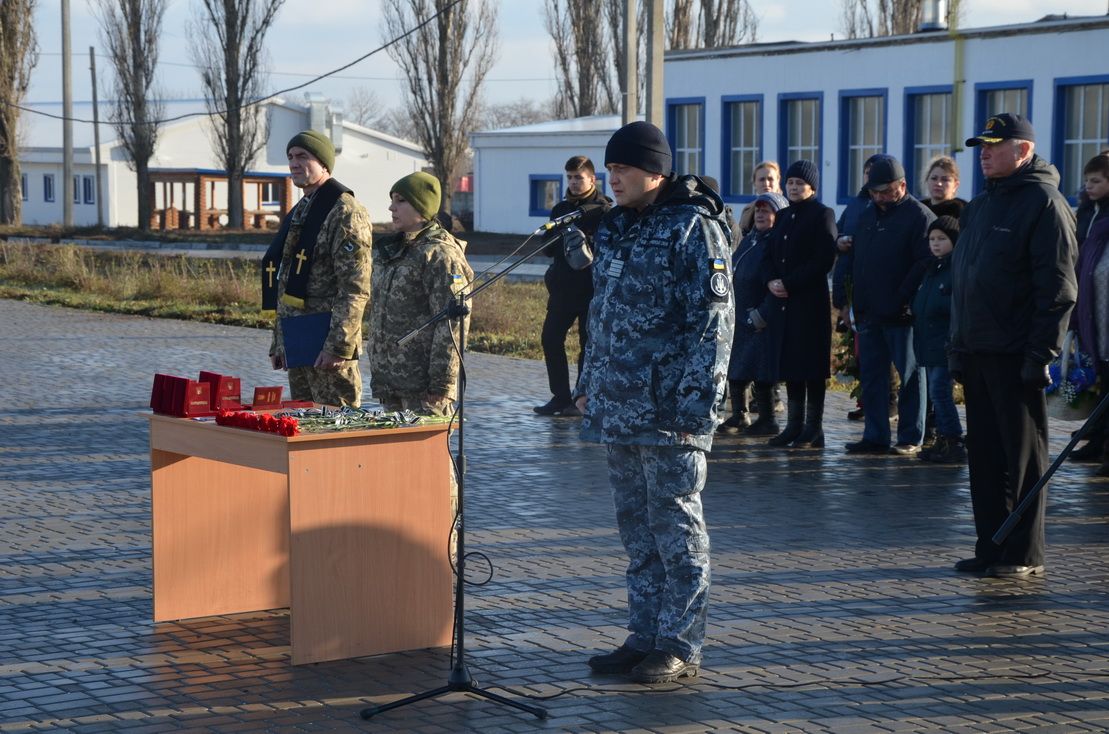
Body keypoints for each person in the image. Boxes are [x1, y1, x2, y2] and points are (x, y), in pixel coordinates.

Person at [575, 121, 734, 684]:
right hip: (620, 405)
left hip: (672, 411)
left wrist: (697, 403)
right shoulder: (618, 227)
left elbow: (712, 325)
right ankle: (644, 634)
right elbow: (603, 314)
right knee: (637, 531)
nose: (611, 179)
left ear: (655, 172)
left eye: (622, 171)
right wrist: (588, 383)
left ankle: (680, 642)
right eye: (609, 170)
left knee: (677, 527)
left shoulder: (694, 227)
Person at [950, 113, 1077, 578]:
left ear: (1023, 150)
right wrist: (958, 347)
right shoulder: (982, 205)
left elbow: (1058, 288)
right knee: (984, 456)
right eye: (981, 145)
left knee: (1021, 457)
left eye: (994, 145)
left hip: (1017, 353)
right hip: (978, 348)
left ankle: (1023, 552)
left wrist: (1040, 353)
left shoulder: (1044, 203)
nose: (983, 152)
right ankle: (992, 545)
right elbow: (964, 281)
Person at [264, 130, 373, 407]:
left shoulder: (345, 212)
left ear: (324, 163)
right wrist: (281, 340)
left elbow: (355, 288)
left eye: (303, 156)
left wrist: (339, 345)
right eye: (290, 157)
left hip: (327, 341)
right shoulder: (301, 209)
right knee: (303, 426)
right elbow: (286, 278)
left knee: (338, 426)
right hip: (298, 337)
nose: (294, 163)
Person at [843, 156, 934, 456]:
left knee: (909, 376)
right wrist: (852, 302)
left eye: (885, 190)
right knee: (872, 378)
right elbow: (858, 260)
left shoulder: (919, 216)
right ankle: (876, 435)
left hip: (902, 314)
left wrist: (903, 297)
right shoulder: (868, 215)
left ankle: (910, 436)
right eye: (874, 191)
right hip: (869, 312)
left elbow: (925, 262)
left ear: (902, 186)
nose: (879, 196)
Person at [367, 172, 474, 415]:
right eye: (392, 199)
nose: (391, 207)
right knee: (392, 453)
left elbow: (453, 324)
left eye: (401, 201)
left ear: (422, 207)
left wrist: (441, 383)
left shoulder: (440, 255)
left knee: (428, 453)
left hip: (424, 390)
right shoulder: (395, 250)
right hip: (392, 382)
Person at [761, 160, 837, 448]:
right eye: (790, 182)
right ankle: (793, 425)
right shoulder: (781, 217)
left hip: (809, 304)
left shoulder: (822, 215)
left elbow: (823, 259)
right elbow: (769, 254)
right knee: (791, 365)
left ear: (812, 187)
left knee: (811, 367)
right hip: (784, 304)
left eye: (799, 183)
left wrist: (789, 283)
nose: (793, 188)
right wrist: (771, 281)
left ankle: (813, 427)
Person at [534, 156, 612, 417]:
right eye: (569, 177)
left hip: (591, 289)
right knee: (550, 338)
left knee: (587, 344)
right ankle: (560, 397)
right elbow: (547, 245)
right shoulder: (561, 209)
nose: (574, 182)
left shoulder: (603, 210)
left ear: (592, 179)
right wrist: (566, 241)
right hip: (563, 289)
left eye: (578, 177)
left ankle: (583, 398)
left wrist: (585, 242)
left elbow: (609, 247)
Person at [719, 191, 789, 436]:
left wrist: (761, 314)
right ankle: (740, 415)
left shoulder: (777, 242)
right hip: (739, 317)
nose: (760, 214)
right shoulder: (751, 239)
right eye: (758, 210)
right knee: (737, 369)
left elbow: (778, 284)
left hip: (760, 318)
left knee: (761, 372)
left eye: (766, 210)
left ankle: (768, 419)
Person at [832, 153, 892, 423]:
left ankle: (890, 402)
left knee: (886, 359)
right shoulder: (856, 204)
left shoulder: (894, 207)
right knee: (860, 354)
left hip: (883, 294)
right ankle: (865, 401)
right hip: (854, 288)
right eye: (868, 173)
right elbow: (838, 234)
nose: (871, 179)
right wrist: (840, 242)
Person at [1066, 152, 1109, 468]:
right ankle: (1097, 437)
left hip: (1102, 305)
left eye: (1097, 181)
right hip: (1089, 304)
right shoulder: (1086, 212)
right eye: (1087, 181)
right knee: (1098, 379)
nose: (1089, 186)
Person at [912, 216, 965, 463]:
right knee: (936, 393)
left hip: (945, 343)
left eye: (942, 239)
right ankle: (943, 439)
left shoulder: (955, 268)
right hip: (928, 341)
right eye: (932, 239)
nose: (935, 244)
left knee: (940, 391)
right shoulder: (933, 268)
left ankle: (954, 440)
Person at [736, 161, 782, 236]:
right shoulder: (748, 211)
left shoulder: (786, 209)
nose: (766, 184)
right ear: (754, 183)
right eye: (762, 179)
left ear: (778, 181)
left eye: (770, 179)